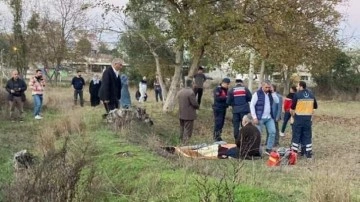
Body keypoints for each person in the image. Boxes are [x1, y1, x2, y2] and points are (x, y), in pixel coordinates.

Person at [250, 80, 279, 154]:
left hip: (269, 117)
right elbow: (252, 105)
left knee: (273, 132)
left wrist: (273, 92)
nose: (267, 89)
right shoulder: (257, 94)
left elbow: (277, 101)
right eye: (266, 87)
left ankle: (269, 148)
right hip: (260, 118)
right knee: (258, 134)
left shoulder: (271, 94)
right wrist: (254, 117)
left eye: (269, 87)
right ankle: (257, 150)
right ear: (262, 86)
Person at [290, 81, 318, 159]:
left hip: (298, 118)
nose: (296, 87)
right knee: (307, 136)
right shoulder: (311, 94)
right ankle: (308, 154)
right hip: (308, 119)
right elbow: (315, 106)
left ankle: (294, 154)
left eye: (297, 86)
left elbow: (292, 108)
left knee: (296, 135)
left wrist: (293, 116)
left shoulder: (297, 95)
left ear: (301, 86)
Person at [226, 76, 252, 141]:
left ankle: (237, 139)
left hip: (235, 110)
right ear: (242, 83)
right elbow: (250, 98)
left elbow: (228, 101)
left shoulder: (231, 90)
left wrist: (232, 104)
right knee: (245, 125)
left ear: (235, 83)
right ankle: (245, 139)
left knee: (236, 126)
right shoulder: (245, 89)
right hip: (244, 110)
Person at [177, 79, 199, 144]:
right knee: (188, 130)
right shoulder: (191, 92)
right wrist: (198, 106)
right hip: (188, 115)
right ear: (192, 84)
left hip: (181, 113)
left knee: (182, 129)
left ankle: (180, 142)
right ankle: (185, 144)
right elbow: (194, 104)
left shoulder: (180, 91)